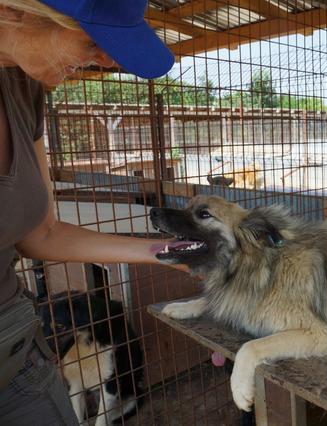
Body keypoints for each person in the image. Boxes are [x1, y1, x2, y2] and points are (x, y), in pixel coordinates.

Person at [0, 0, 179, 423]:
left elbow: (40, 235)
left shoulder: (24, 88)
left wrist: (164, 251)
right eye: (92, 40)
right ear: (14, 11)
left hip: (16, 348)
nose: (107, 59)